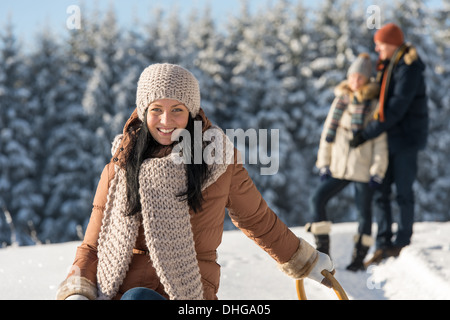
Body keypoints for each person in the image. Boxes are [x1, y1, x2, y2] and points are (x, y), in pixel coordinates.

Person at [56, 63, 334, 300]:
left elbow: (257, 218)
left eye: (177, 109)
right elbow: (93, 246)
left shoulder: (219, 162)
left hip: (189, 290)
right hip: (119, 289)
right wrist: (77, 289)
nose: (166, 120)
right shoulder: (120, 166)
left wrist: (304, 260)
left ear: (191, 111)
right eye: (156, 109)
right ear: (143, 112)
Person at [350, 23, 429, 264]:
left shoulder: (409, 67)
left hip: (406, 139)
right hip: (388, 139)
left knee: (403, 192)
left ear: (392, 43)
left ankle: (402, 241)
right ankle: (383, 243)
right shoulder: (387, 66)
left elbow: (396, 107)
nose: (377, 48)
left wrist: (366, 133)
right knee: (381, 192)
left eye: (380, 43)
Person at [307, 53, 388, 272]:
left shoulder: (373, 105)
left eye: (360, 78)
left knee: (364, 214)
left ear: (367, 79)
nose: (355, 81)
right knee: (317, 199)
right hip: (339, 167)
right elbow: (327, 134)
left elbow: (380, 142)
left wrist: (377, 171)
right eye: (353, 76)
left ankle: (358, 259)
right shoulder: (340, 100)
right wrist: (324, 163)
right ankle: (323, 253)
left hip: (363, 169)